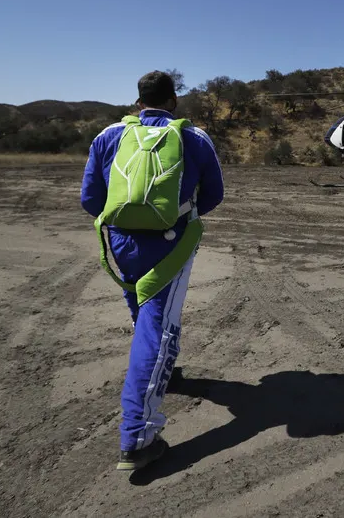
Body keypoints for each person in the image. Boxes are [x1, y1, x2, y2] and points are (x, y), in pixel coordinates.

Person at [80, 70, 224, 471]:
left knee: (141, 311)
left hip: (122, 243)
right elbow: (214, 195)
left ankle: (166, 375)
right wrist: (172, 219)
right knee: (158, 328)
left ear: (138, 100)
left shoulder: (108, 136)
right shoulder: (193, 138)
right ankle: (138, 435)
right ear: (173, 101)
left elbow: (90, 198)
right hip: (171, 243)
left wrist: (130, 222)